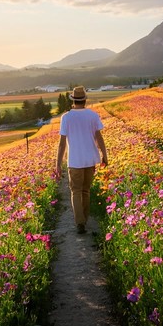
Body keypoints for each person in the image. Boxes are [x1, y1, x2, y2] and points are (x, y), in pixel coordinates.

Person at [56, 86, 108, 234]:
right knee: (86, 191)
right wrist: (105, 155)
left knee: (76, 191)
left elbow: (61, 144)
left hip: (75, 160)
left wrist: (58, 164)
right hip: (90, 159)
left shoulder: (66, 117)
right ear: (85, 100)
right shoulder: (93, 115)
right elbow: (99, 138)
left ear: (73, 101)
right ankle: (84, 219)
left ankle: (80, 223)